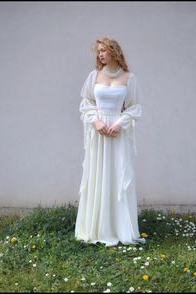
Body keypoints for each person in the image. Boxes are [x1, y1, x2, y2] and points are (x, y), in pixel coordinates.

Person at [75, 37, 145, 247]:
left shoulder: (129, 78)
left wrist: (121, 123)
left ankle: (118, 228)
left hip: (117, 133)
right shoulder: (93, 76)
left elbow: (135, 107)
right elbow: (86, 102)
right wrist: (95, 121)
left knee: (118, 176)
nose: (100, 55)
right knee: (98, 175)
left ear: (114, 51)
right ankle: (97, 228)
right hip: (99, 133)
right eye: (99, 52)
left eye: (104, 50)